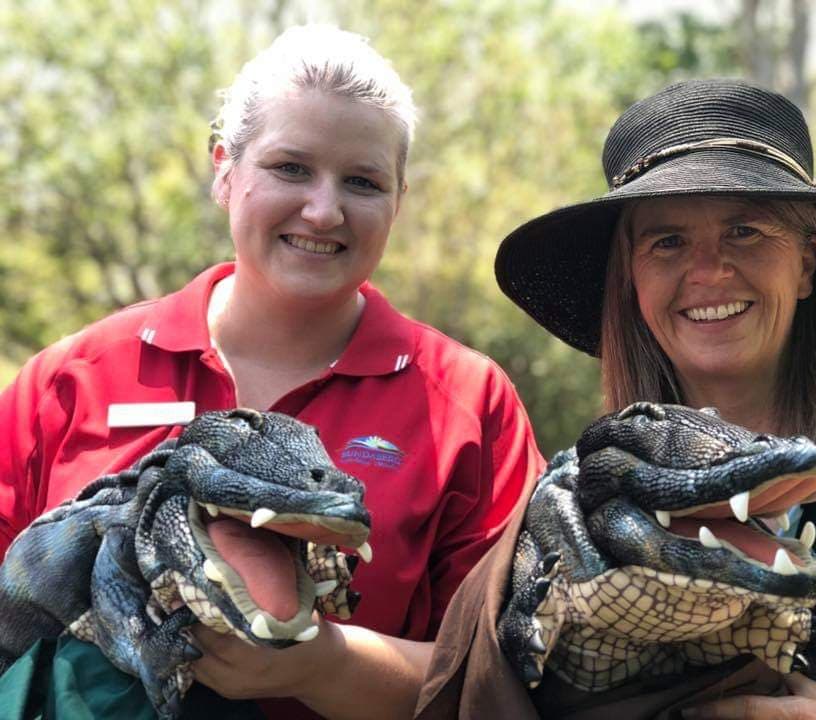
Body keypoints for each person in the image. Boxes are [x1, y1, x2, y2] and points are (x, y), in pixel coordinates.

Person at [0, 24, 543, 720]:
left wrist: (327, 665)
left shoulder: (467, 402)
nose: (324, 208)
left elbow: (505, 682)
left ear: (399, 199)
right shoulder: (73, 378)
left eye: (363, 181)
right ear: (225, 168)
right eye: (291, 168)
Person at [488, 78, 816, 719]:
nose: (708, 271)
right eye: (667, 241)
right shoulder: (576, 507)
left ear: (808, 263)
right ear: (630, 279)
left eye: (745, 230)